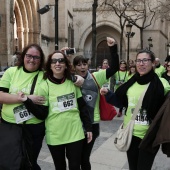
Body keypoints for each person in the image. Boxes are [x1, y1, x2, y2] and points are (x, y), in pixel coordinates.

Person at [19, 50, 93, 170]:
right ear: (50, 65)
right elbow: (42, 114)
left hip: (75, 132)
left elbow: (82, 107)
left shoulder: (73, 83)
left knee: (75, 166)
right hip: (55, 134)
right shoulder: (44, 86)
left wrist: (88, 127)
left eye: (61, 61)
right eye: (54, 61)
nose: (57, 63)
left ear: (65, 65)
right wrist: (26, 101)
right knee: (60, 167)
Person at [100, 49, 170, 170]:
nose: (141, 64)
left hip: (149, 136)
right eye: (138, 60)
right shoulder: (131, 82)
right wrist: (109, 94)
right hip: (130, 133)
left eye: (145, 60)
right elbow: (122, 102)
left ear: (153, 63)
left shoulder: (162, 83)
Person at [72, 37, 119, 170]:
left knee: (84, 158)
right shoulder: (70, 79)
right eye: (79, 65)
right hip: (74, 124)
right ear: (74, 67)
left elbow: (114, 67)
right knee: (75, 158)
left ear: (88, 65)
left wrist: (112, 48)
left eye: (84, 64)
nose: (82, 67)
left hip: (92, 124)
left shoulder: (95, 76)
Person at [0, 43, 48, 170]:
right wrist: (26, 98)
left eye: (36, 57)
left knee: (30, 162)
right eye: (29, 56)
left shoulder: (45, 76)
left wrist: (77, 78)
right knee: (9, 161)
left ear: (41, 60)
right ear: (23, 56)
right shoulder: (11, 72)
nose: (32, 60)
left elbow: (62, 76)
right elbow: (0, 96)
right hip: (9, 125)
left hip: (34, 128)